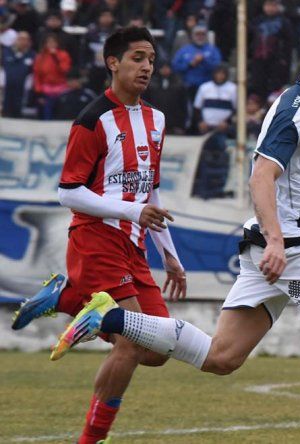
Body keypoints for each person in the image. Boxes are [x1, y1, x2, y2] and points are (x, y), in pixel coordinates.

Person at [49, 22, 300, 444]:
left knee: (222, 357)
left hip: (274, 245)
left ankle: (108, 316)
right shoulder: (293, 110)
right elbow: (261, 178)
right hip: (291, 244)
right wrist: (277, 240)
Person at [11, 26, 187, 444]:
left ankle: (68, 299)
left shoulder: (157, 119)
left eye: (150, 59)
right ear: (113, 62)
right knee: (128, 342)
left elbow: (151, 187)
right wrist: (132, 210)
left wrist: (171, 255)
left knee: (159, 350)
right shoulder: (92, 120)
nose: (147, 66)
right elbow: (67, 192)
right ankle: (90, 440)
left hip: (134, 246)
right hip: (96, 236)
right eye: (137, 58)